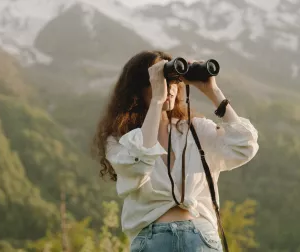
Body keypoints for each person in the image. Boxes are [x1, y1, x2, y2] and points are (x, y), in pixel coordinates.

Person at [93, 51, 259, 251]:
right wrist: (157, 102)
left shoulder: (195, 130)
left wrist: (213, 91)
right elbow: (139, 164)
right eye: (160, 80)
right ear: (139, 87)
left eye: (172, 80)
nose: (169, 88)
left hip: (201, 238)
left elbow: (245, 144)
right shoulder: (120, 140)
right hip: (152, 241)